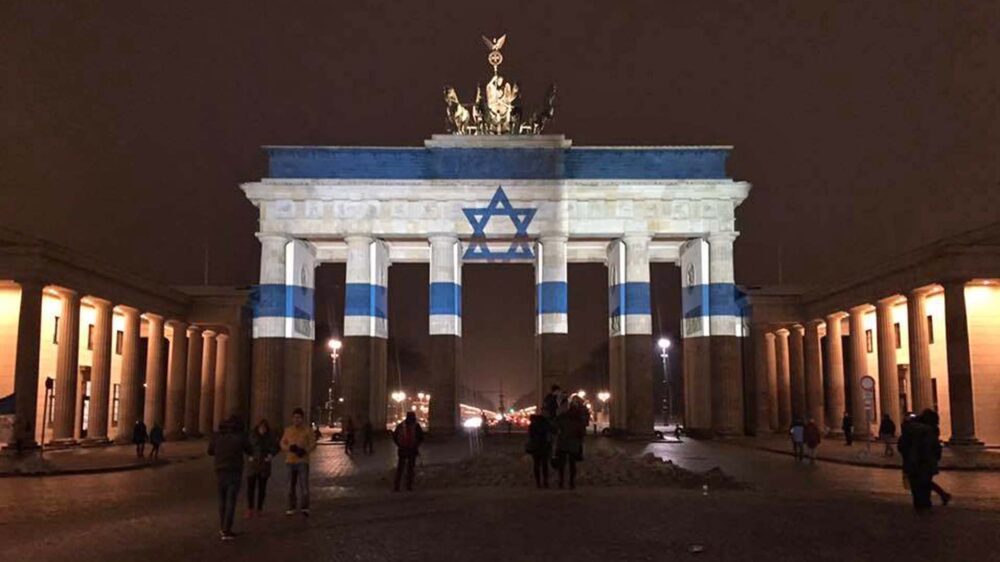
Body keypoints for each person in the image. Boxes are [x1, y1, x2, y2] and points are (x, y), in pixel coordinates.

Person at [208, 415, 252, 540]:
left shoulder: (217, 436)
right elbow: (250, 450)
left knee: (222, 499)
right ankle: (227, 530)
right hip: (234, 470)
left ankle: (222, 527)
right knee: (231, 500)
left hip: (220, 469)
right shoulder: (240, 437)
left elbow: (210, 451)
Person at [898, 409, 938, 511]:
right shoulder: (929, 430)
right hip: (925, 462)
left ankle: (918, 506)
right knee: (925, 484)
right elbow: (933, 447)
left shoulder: (909, 428)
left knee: (915, 486)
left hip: (911, 461)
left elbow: (901, 445)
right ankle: (925, 506)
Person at [280, 407, 317, 516]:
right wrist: (289, 448)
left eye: (299, 417)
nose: (297, 419)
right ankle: (291, 507)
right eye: (295, 417)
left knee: (304, 486)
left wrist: (305, 451)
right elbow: (282, 443)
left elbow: (313, 443)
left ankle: (305, 507)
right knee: (290, 487)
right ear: (292, 418)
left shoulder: (308, 430)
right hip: (290, 461)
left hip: (302, 461)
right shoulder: (287, 430)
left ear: (302, 419)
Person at [246, 419, 279, 518]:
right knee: (251, 488)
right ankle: (250, 508)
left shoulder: (270, 437)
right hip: (253, 464)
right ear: (258, 427)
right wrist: (249, 455)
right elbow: (246, 446)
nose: (263, 430)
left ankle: (259, 508)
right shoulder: (251, 436)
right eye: (261, 428)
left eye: (264, 428)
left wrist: (271, 455)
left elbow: (276, 447)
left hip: (264, 465)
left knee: (262, 488)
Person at [921, 409, 952, 506]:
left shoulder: (927, 430)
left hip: (926, 459)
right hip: (930, 459)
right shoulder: (933, 429)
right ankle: (941, 495)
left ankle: (941, 495)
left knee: (924, 481)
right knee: (926, 480)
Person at [554, 398, 586, 489]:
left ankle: (561, 482)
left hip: (563, 442)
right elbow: (582, 432)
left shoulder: (563, 417)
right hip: (573, 443)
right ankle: (572, 483)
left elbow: (555, 426)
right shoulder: (579, 419)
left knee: (562, 464)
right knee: (572, 464)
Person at [392, 411, 424, 492]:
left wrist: (399, 445)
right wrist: (416, 444)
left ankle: (397, 486)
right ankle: (409, 486)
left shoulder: (401, 425)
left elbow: (394, 436)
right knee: (410, 469)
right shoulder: (416, 426)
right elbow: (421, 437)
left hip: (402, 449)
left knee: (400, 469)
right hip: (412, 449)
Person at [526, 414, 552, 488]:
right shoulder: (545, 425)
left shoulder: (533, 426)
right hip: (544, 446)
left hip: (536, 447)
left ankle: (538, 482)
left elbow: (531, 436)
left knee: (537, 465)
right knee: (545, 465)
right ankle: (545, 481)